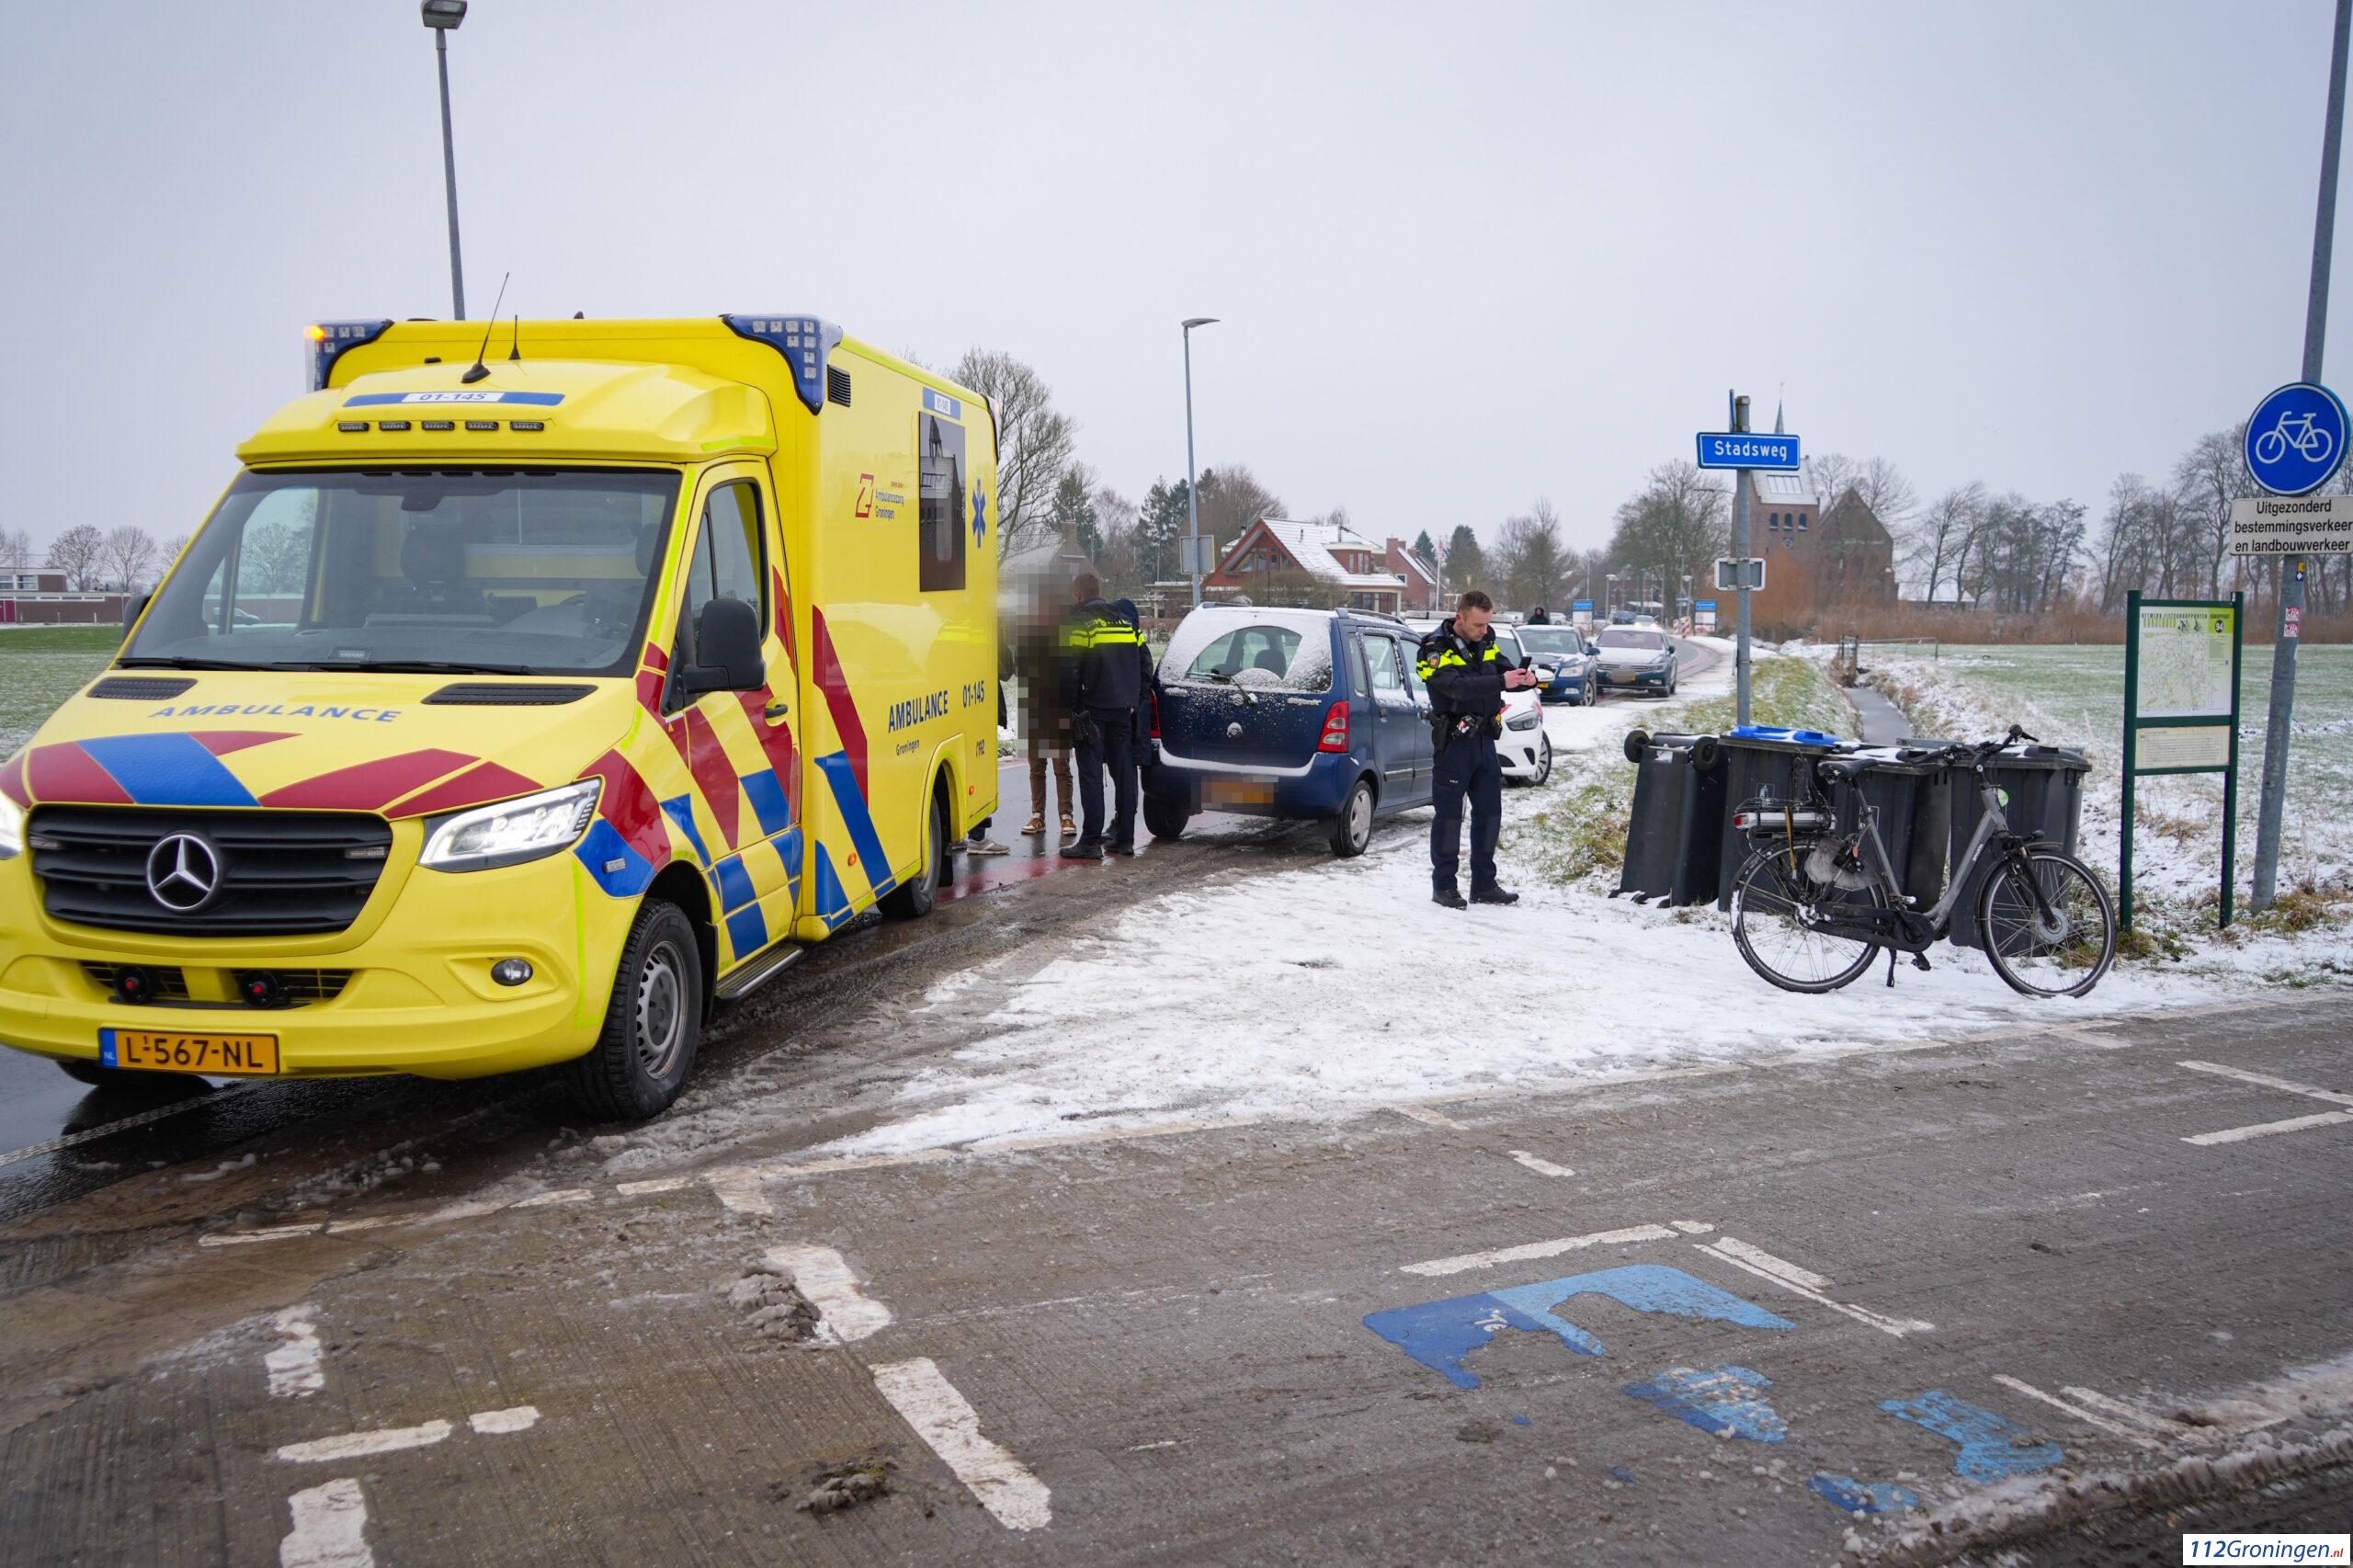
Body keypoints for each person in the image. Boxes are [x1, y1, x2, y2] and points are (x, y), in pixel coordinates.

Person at [1416, 588, 1539, 908]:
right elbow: (1455, 687)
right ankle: (1444, 887)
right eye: (1478, 625)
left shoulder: (1486, 641)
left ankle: (1484, 884)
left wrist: (1524, 678)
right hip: (1454, 744)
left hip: (1484, 739)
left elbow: (1501, 666)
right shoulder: (1433, 648)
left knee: (1489, 815)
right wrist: (1503, 682)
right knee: (1449, 818)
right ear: (1460, 618)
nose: (1484, 631)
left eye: (1487, 625)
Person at [1057, 573, 1144, 860]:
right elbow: (1143, 660)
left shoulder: (1081, 623)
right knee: (1124, 774)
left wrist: (1070, 709)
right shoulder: (1124, 621)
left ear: (1079, 595)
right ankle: (1126, 839)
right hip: (1123, 710)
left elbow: (1070, 670)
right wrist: (1135, 699)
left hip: (1092, 711)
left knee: (1092, 776)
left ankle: (1091, 841)